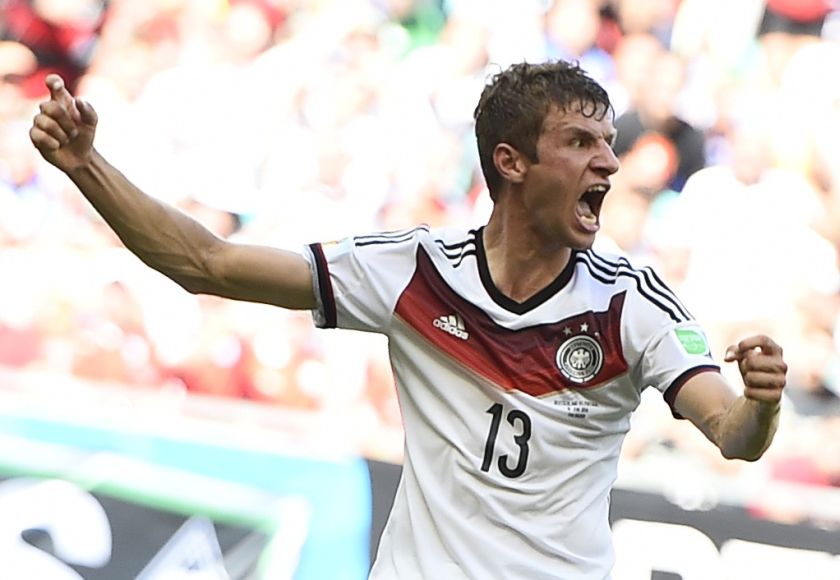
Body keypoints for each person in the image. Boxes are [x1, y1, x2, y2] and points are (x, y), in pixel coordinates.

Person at [29, 60, 787, 579]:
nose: (610, 165)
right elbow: (208, 263)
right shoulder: (413, 271)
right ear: (511, 162)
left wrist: (761, 402)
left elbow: (732, 437)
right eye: (581, 143)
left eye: (609, 145)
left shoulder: (632, 304)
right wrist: (86, 165)